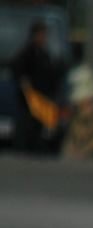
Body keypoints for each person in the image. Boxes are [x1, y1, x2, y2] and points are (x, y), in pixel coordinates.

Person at [10, 20, 63, 153]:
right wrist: (24, 84)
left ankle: (35, 147)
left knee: (38, 123)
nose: (43, 37)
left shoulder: (44, 54)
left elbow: (50, 74)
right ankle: (21, 147)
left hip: (41, 95)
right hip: (28, 96)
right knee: (25, 122)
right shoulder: (27, 52)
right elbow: (17, 69)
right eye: (41, 34)